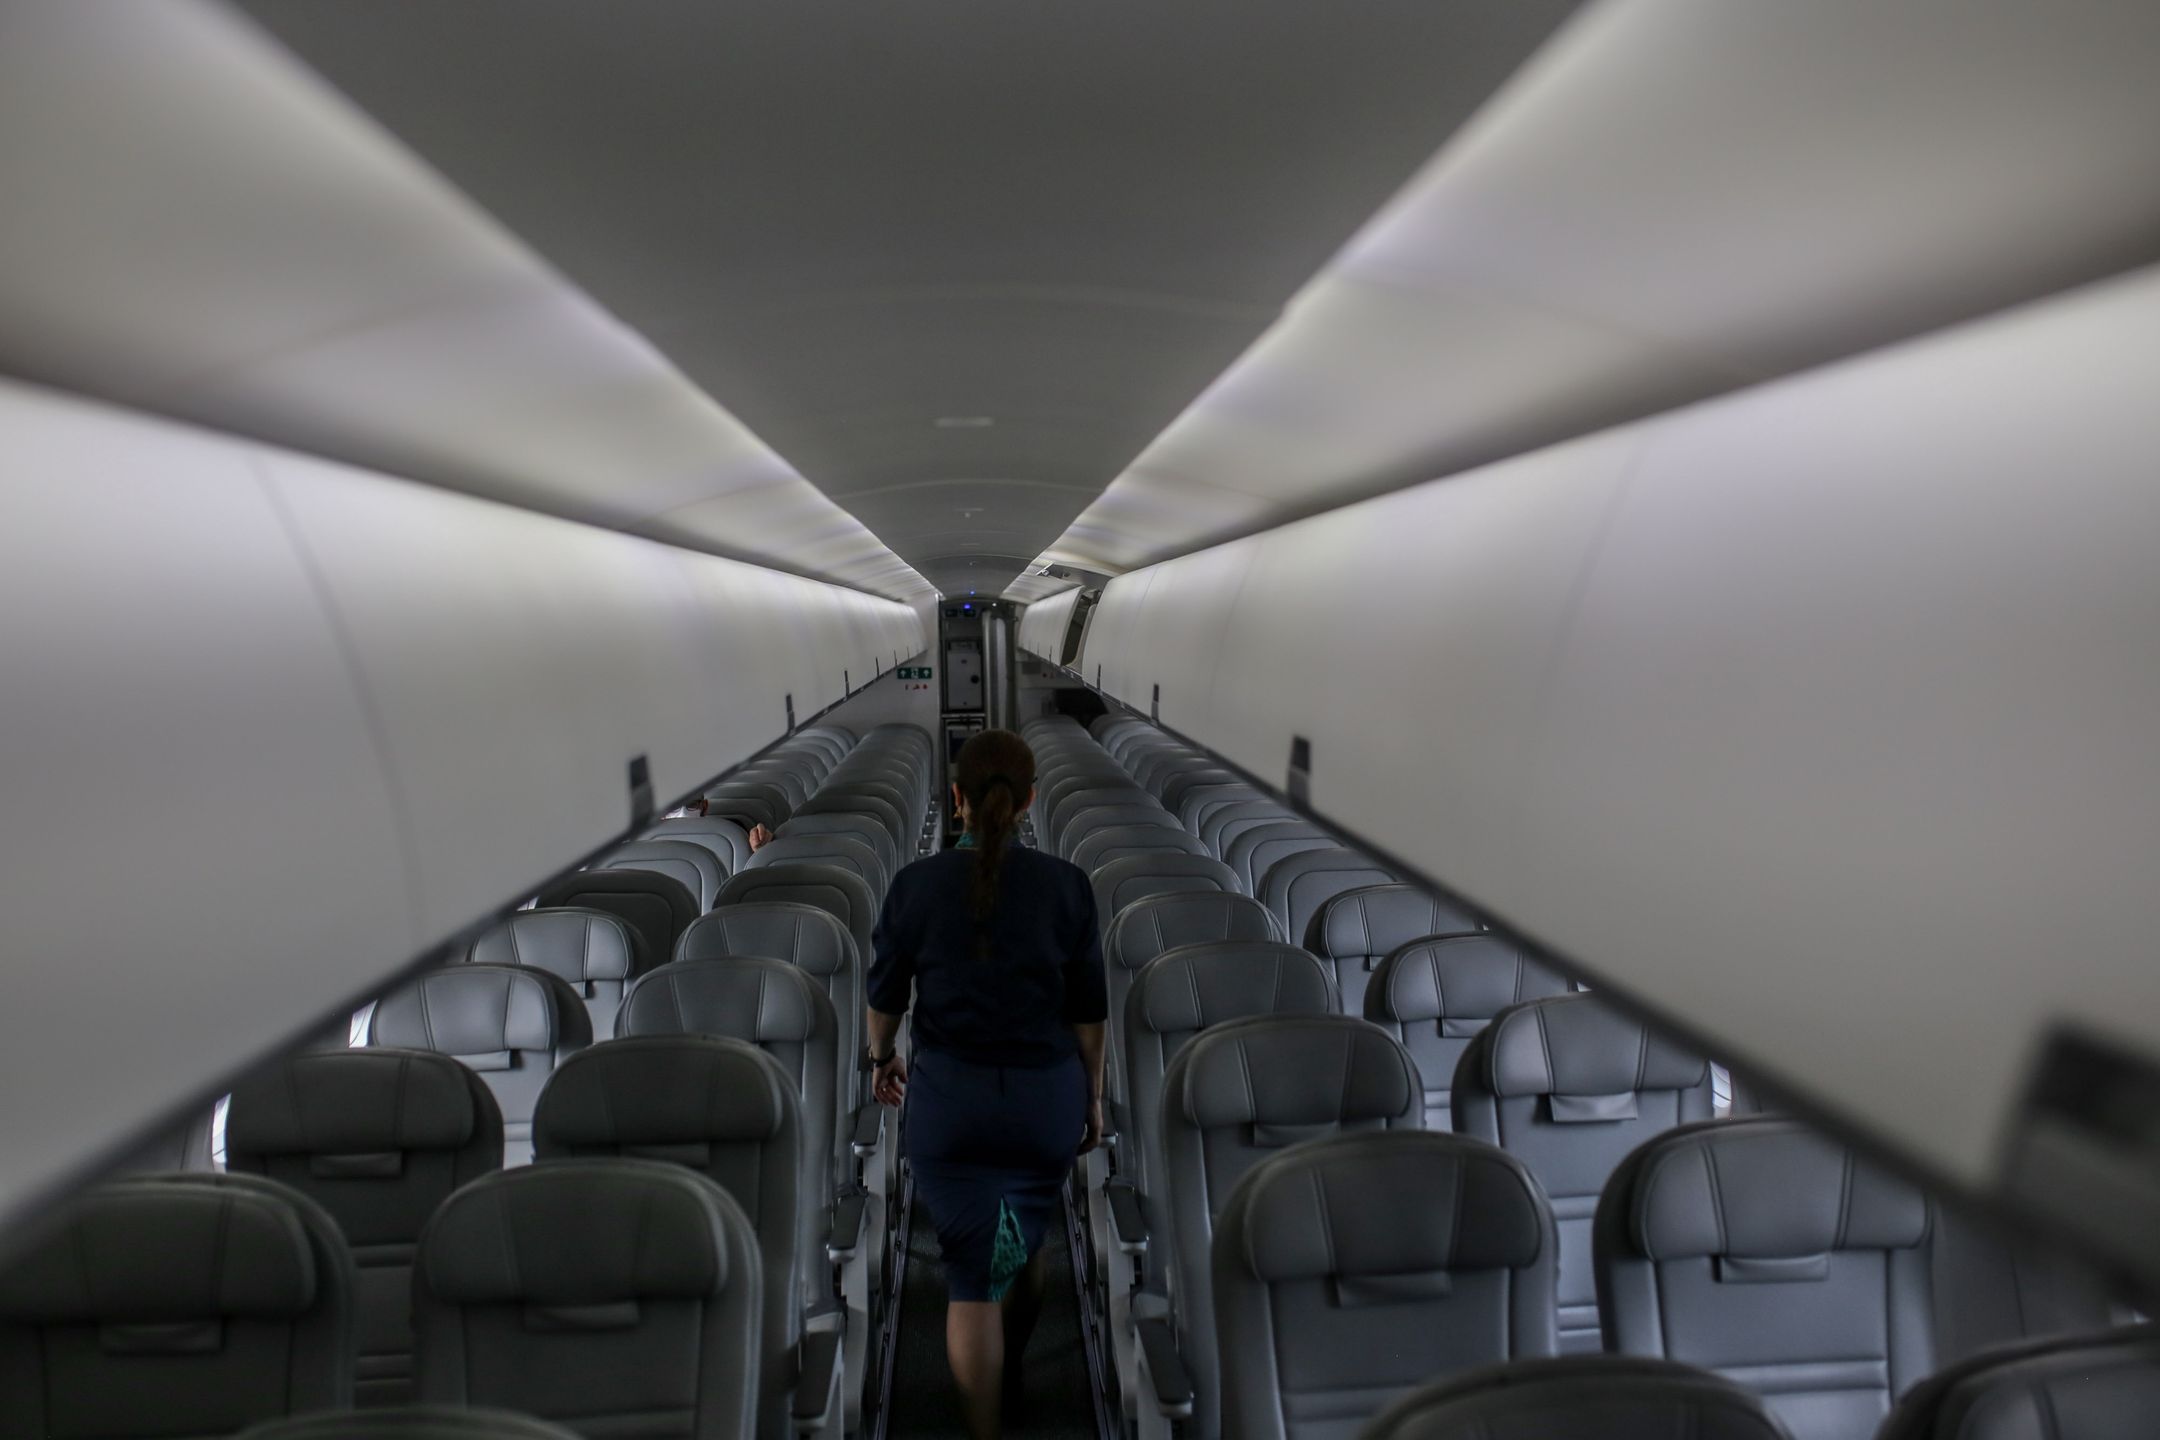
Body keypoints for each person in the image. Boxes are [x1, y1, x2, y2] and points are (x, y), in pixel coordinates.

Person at [865, 729, 1106, 1438]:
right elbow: (1088, 1016)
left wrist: (883, 1061)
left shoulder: (915, 887)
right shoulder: (1067, 886)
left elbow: (885, 1004)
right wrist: (1090, 1099)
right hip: (1042, 1104)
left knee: (973, 1275)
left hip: (951, 1106)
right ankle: (1011, 1364)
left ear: (957, 799)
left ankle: (985, 1423)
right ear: (1031, 800)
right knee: (1025, 1241)